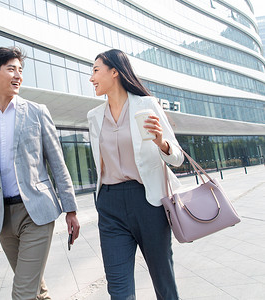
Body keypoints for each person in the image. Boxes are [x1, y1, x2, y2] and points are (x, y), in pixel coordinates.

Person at [0, 47, 80, 300]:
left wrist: (71, 209)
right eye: (11, 69)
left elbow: (58, 163)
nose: (18, 76)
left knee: (22, 293)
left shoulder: (37, 112)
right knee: (36, 289)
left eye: (20, 70)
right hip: (2, 219)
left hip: (36, 212)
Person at [87, 49, 184, 300]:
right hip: (109, 204)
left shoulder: (147, 105)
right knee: (118, 289)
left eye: (96, 70)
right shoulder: (94, 116)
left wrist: (162, 142)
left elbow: (177, 158)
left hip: (148, 202)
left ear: (115, 72)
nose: (91, 78)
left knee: (163, 281)